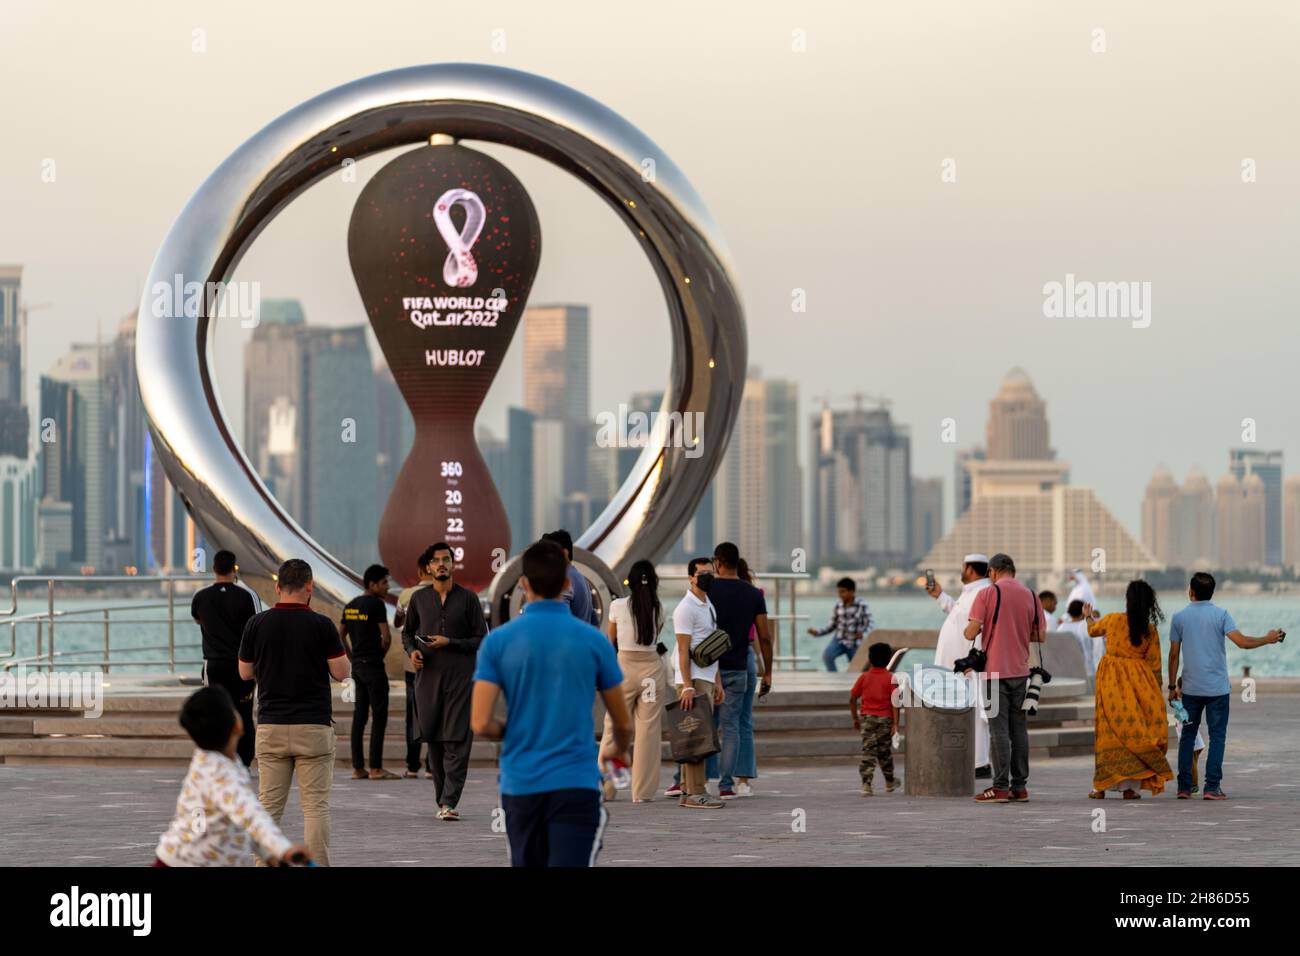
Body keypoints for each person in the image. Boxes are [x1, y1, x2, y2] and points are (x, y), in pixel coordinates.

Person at [471, 540, 632, 867]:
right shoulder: (595, 641)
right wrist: (617, 754)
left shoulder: (497, 642)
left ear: (523, 584)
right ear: (568, 583)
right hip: (576, 781)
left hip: (521, 784)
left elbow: (480, 723)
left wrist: (515, 730)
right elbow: (623, 722)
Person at [237, 558, 349, 866]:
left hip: (272, 726)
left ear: (277, 588)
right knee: (315, 807)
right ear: (310, 588)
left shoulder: (256, 624)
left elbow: (244, 672)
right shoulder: (322, 624)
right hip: (313, 726)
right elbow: (341, 672)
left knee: (269, 807)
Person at [155, 686, 311, 867]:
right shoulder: (220, 774)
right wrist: (283, 848)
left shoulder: (218, 762)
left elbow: (240, 819)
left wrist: (267, 854)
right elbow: (251, 814)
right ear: (237, 725)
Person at [1167, 571, 1283, 800]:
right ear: (1212, 593)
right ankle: (1211, 788)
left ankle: (1184, 787)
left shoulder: (1179, 617)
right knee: (1217, 736)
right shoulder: (1221, 615)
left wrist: (1172, 687)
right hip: (1217, 689)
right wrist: (1268, 639)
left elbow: (1173, 655)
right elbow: (1242, 643)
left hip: (1190, 689)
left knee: (1188, 736)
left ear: (1190, 592)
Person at [402, 541, 488, 821]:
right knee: (435, 741)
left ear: (453, 565)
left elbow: (480, 639)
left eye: (446, 560)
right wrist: (413, 651)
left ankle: (449, 801)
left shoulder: (469, 599)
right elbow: (407, 633)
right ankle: (443, 801)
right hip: (428, 680)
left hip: (461, 680)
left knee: (457, 741)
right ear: (428, 567)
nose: (442, 564)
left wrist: (449, 641)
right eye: (436, 560)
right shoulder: (419, 599)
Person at [963, 553, 1044, 803]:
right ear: (1013, 571)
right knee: (1019, 730)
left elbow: (970, 633)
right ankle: (1019, 787)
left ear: (993, 572)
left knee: (998, 731)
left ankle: (999, 787)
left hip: (994, 673)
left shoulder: (987, 594)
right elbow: (1040, 636)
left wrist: (973, 628)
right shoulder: (1031, 595)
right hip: (1021, 672)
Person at [1083, 581, 1174, 799]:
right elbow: (1154, 667)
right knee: (1134, 732)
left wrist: (1088, 615)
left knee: (1109, 733)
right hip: (1140, 686)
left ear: (1128, 600)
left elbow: (1093, 631)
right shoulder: (1150, 631)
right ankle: (1130, 788)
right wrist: (1158, 696)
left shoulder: (1113, 620)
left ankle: (1100, 787)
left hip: (1111, 683)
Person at [599, 559, 666, 803]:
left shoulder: (617, 605)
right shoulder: (660, 609)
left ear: (631, 582)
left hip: (624, 669)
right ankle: (643, 792)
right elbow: (656, 640)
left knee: (613, 728)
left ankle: (607, 787)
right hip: (651, 671)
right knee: (648, 732)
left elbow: (611, 642)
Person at [709, 541, 772, 800]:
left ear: (718, 563)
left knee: (706, 724)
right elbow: (764, 637)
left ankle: (695, 779)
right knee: (733, 725)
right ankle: (727, 784)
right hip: (738, 665)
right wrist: (769, 672)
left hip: (709, 667)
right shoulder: (754, 594)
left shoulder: (708, 589)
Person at [191, 550, 260, 766]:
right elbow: (257, 627)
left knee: (216, 712)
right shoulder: (247, 595)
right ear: (234, 569)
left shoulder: (200, 596)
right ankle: (244, 762)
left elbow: (197, 619)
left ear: (214, 569)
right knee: (244, 713)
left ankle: (218, 759)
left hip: (213, 664)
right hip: (241, 664)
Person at [927, 553, 992, 777]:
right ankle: (968, 760)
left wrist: (971, 661)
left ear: (970, 569)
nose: (961, 571)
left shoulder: (982, 593)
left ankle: (980, 764)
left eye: (963, 567)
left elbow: (978, 627)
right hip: (959, 666)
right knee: (966, 712)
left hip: (969, 666)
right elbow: (960, 616)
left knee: (977, 713)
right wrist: (940, 596)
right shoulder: (971, 593)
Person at [672, 556, 726, 809]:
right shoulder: (686, 608)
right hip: (692, 678)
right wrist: (687, 686)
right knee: (697, 736)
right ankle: (696, 792)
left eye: (710, 573)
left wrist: (718, 682)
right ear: (691, 578)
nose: (706, 577)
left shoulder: (708, 604)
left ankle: (687, 790)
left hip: (705, 676)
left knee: (693, 734)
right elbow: (683, 650)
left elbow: (711, 646)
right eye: (701, 573)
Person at [339, 564, 399, 780]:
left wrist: (352, 656)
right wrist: (378, 655)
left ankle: (358, 768)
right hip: (373, 666)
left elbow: (341, 634)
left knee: (360, 716)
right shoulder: (377, 605)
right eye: (384, 583)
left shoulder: (351, 605)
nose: (387, 587)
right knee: (379, 716)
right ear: (372, 584)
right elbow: (387, 637)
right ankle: (376, 768)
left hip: (358, 667)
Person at [393, 548, 435, 779]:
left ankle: (412, 765)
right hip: (437, 662)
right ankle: (431, 765)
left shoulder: (407, 595)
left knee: (413, 714)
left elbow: (397, 621)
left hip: (412, 662)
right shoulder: (442, 593)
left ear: (420, 570)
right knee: (436, 711)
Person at [734, 558, 767, 796]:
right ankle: (743, 781)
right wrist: (765, 667)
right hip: (747, 655)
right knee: (744, 720)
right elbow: (761, 636)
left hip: (722, 657)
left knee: (718, 722)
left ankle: (709, 780)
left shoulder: (716, 592)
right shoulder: (756, 594)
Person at [850, 642, 901, 796]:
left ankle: (866, 784)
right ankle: (890, 781)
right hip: (885, 720)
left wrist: (855, 719)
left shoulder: (864, 677)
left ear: (870, 659)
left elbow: (852, 698)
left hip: (867, 720)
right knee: (884, 752)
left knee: (868, 751)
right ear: (888, 659)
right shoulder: (891, 678)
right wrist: (896, 724)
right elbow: (895, 703)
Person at [809, 576, 874, 672]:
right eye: (839, 592)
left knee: (859, 669)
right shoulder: (838, 606)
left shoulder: (862, 605)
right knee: (827, 656)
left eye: (843, 592)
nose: (840, 595)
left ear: (852, 592)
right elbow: (832, 625)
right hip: (839, 640)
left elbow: (870, 623)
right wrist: (817, 633)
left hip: (854, 643)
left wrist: (863, 633)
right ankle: (834, 678)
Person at [543, 529, 598, 626]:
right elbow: (594, 620)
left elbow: (560, 621)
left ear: (564, 553)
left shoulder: (563, 579)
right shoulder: (581, 578)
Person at [1175, 677, 1206, 795]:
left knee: (1191, 764)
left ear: (1182, 690)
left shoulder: (1186, 705)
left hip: (1193, 742)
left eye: (1177, 687)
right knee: (1191, 763)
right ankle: (1191, 784)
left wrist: (1176, 702)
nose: (1176, 689)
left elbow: (1184, 718)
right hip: (1192, 741)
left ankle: (1194, 785)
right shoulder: (1184, 702)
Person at [1058, 599, 1101, 683]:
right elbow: (1097, 651)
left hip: (1065, 671)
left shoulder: (1061, 628)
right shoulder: (1086, 628)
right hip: (1087, 672)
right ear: (1083, 612)